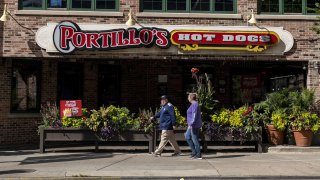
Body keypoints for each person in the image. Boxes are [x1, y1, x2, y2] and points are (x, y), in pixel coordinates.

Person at [185, 93, 203, 160]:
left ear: (191, 98)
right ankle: (194, 152)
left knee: (195, 139)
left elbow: (194, 115)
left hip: (194, 125)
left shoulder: (195, 104)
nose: (187, 98)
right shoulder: (193, 104)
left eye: (188, 97)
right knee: (187, 136)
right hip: (191, 125)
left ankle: (198, 155)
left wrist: (191, 124)